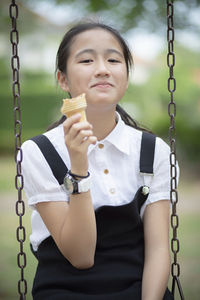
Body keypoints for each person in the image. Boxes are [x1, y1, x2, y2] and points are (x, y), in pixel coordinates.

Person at [21, 21, 177, 300]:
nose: (103, 68)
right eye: (87, 59)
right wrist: (79, 167)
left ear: (126, 78)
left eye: (114, 59)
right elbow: (81, 257)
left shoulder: (154, 151)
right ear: (63, 80)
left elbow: (157, 250)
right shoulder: (39, 152)